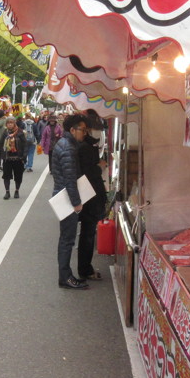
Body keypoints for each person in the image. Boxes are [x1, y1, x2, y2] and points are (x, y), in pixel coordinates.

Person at [51, 114, 90, 289]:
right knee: (67, 239)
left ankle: (66, 275)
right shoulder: (68, 148)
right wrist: (76, 202)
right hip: (65, 198)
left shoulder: (66, 144)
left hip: (63, 195)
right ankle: (65, 277)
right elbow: (69, 179)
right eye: (82, 130)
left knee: (66, 239)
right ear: (72, 130)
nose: (84, 133)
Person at [76, 113, 108, 280]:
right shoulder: (85, 148)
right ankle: (85, 269)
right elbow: (87, 173)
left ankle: (85, 268)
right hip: (89, 195)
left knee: (87, 233)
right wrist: (99, 166)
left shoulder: (87, 145)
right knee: (87, 234)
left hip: (88, 194)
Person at [0, 117, 27, 200]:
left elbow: (25, 145)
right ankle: (7, 192)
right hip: (7, 158)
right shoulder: (5, 132)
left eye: (11, 123)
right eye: (8, 123)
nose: (10, 124)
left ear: (14, 123)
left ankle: (17, 190)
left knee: (18, 176)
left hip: (18, 158)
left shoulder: (20, 132)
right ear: (6, 124)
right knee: (6, 176)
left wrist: (24, 157)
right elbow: (0, 144)